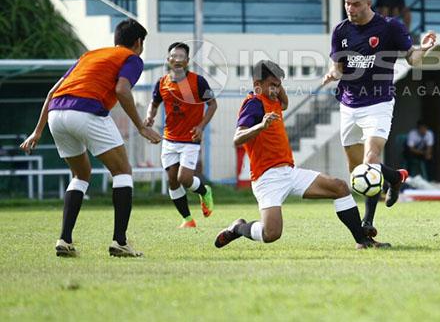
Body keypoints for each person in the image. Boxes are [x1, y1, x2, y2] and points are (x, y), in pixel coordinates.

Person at [19, 19, 162, 258]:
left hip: (56, 114)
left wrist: (37, 131)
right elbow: (122, 90)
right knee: (123, 172)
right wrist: (141, 127)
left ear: (116, 40)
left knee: (81, 174)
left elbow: (52, 92)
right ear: (138, 43)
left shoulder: (90, 55)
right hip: (86, 111)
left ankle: (64, 239)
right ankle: (120, 242)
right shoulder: (132, 58)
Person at [214, 61, 387, 249]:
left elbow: (285, 103)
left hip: (290, 172)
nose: (276, 90)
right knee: (271, 234)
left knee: (340, 187)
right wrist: (261, 126)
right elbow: (237, 138)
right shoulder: (254, 104)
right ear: (257, 85)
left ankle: (362, 241)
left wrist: (277, 87)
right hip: (267, 178)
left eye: (278, 85)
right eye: (272, 85)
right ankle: (238, 227)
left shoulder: (274, 100)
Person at [323, 0, 437, 242]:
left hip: (378, 103)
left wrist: (426, 49)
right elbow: (338, 66)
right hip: (348, 105)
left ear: (368, 1)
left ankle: (367, 224)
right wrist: (332, 73)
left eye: (356, 3)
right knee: (356, 175)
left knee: (370, 161)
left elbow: (412, 57)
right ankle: (396, 177)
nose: (350, 8)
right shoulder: (340, 31)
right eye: (347, 3)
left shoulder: (389, 27)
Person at [144, 42, 217, 228]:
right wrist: (149, 117)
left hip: (190, 139)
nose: (177, 60)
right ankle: (187, 220)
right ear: (168, 60)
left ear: (187, 61)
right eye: (173, 56)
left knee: (184, 178)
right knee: (172, 180)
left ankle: (204, 191)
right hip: (169, 139)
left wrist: (201, 126)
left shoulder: (198, 81)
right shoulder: (162, 83)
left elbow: (213, 105)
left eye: (181, 57)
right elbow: (154, 103)